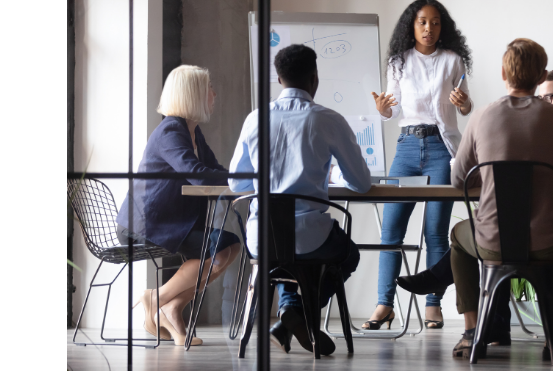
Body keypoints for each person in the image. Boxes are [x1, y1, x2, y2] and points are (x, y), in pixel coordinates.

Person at [397, 67, 553, 345]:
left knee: (477, 233)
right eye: (542, 96)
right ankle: (544, 328)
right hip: (544, 231)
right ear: (536, 76)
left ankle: (470, 325)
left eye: (551, 97)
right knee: (503, 225)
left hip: (547, 223)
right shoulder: (552, 121)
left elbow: (458, 178)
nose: (543, 103)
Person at [447, 38, 553, 359]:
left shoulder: (482, 117)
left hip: (492, 243)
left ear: (504, 72)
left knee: (457, 240)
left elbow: (458, 179)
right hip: (549, 244)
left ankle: (472, 331)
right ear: (541, 74)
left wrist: (487, 175)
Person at [229, 44, 372, 356]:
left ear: (279, 79)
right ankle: (297, 312)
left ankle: (287, 318)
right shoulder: (328, 119)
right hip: (311, 238)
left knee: (283, 258)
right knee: (347, 256)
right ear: (314, 78)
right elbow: (361, 183)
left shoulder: (255, 119)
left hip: (260, 239)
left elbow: (237, 182)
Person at [365, 0, 473, 330]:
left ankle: (433, 303)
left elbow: (465, 109)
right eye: (423, 22)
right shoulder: (398, 62)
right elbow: (394, 110)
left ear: (444, 27)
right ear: (412, 25)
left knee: (436, 232)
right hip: (408, 148)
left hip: (442, 148)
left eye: (436, 22)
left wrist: (466, 103)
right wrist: (384, 111)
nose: (429, 28)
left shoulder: (453, 61)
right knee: (391, 230)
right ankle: (384, 305)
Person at [116, 65, 242, 346]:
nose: (214, 94)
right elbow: (198, 174)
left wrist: (243, 180)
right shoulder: (171, 131)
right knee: (222, 246)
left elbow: (215, 169)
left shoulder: (192, 132)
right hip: (146, 225)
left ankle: (170, 308)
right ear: (193, 94)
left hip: (171, 222)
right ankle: (156, 299)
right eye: (208, 88)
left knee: (230, 246)